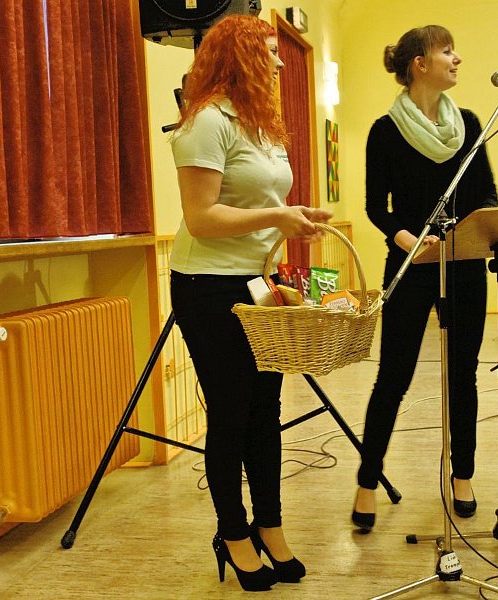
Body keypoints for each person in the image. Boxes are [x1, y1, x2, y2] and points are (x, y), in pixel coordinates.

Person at [169, 15, 332, 591]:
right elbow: (201, 218)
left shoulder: (262, 125)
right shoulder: (205, 123)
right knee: (231, 414)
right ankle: (233, 533)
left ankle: (270, 525)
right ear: (237, 59)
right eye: (268, 51)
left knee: (267, 411)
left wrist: (294, 219)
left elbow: (263, 206)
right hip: (209, 286)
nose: (281, 61)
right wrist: (277, 216)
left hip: (258, 283)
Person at [352, 24, 498, 530]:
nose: (457, 59)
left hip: (464, 264)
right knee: (393, 376)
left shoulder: (471, 124)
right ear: (420, 63)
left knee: (463, 374)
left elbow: (487, 194)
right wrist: (408, 240)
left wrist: (468, 231)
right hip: (410, 265)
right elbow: (377, 207)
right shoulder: (384, 131)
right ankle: (367, 480)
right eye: (447, 51)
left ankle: (463, 475)